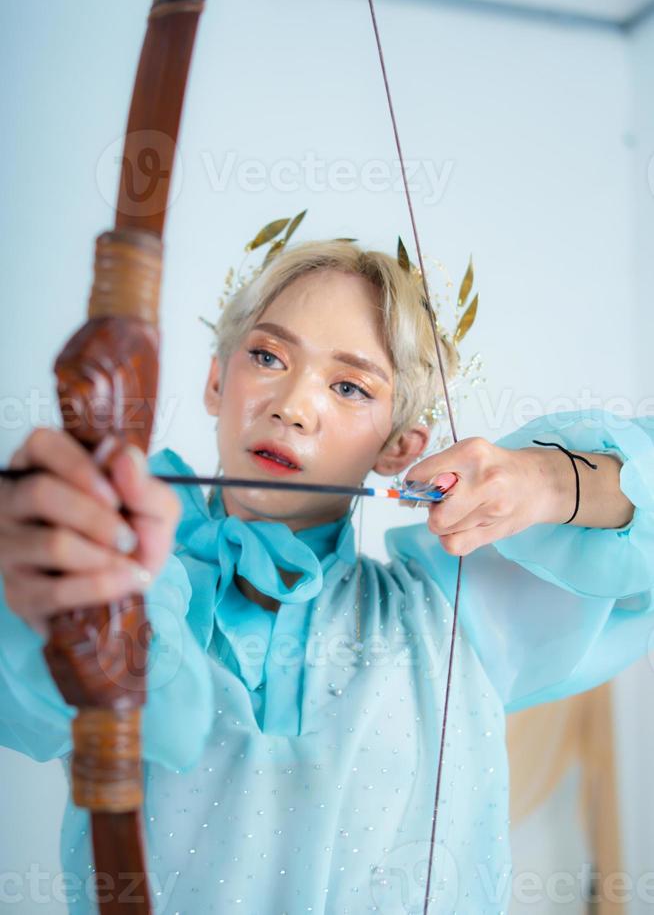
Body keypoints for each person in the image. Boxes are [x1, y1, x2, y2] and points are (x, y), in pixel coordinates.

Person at [0, 239, 652, 913]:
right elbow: (116, 697)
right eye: (267, 356)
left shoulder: (449, 612)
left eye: (349, 387)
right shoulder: (137, 581)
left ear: (400, 445)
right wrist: (67, 562)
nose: (291, 405)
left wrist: (547, 480)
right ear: (217, 380)